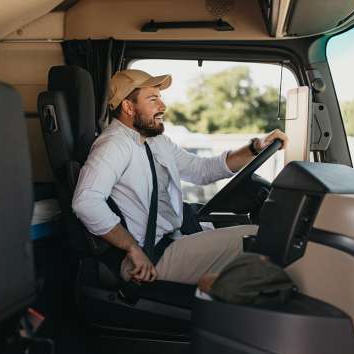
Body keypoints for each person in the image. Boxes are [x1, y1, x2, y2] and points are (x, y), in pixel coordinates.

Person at [71, 69, 288, 285]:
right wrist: (132, 248)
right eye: (153, 99)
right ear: (128, 107)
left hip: (174, 237)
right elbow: (86, 202)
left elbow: (202, 169)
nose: (162, 107)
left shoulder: (155, 141)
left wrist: (256, 147)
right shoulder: (113, 145)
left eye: (160, 99)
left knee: (247, 239)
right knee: (257, 238)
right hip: (152, 254)